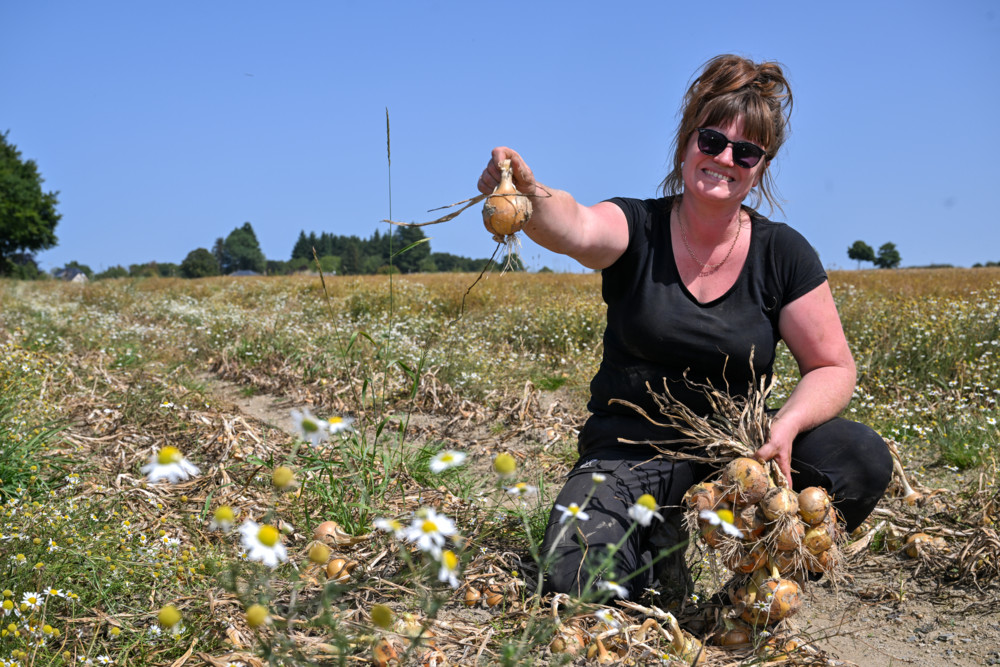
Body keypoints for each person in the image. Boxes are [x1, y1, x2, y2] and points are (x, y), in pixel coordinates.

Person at [476, 54, 893, 602]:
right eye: (713, 140)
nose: (725, 159)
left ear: (760, 167)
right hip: (628, 455)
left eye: (746, 152)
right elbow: (576, 225)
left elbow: (833, 366)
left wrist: (785, 426)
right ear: (686, 140)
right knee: (575, 577)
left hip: (736, 456)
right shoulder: (637, 226)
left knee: (858, 456)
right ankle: (655, 548)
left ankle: (750, 594)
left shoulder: (782, 253)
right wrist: (529, 195)